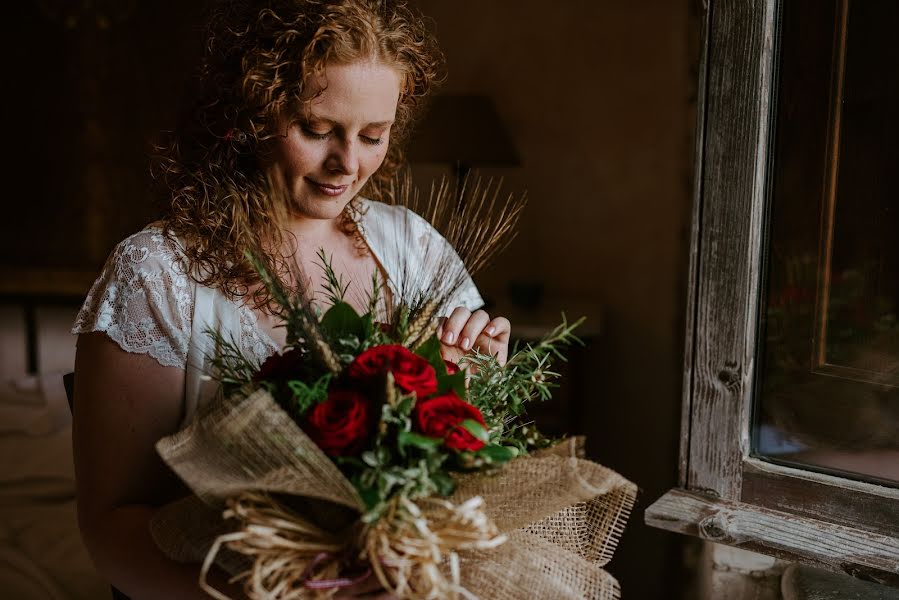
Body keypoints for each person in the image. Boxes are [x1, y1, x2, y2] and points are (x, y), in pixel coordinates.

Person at [70, 1, 511, 598]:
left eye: (373, 135)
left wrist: (476, 380)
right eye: (318, 130)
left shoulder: (413, 249)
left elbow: (463, 480)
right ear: (250, 115)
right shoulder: (158, 275)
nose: (348, 164)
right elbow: (111, 525)